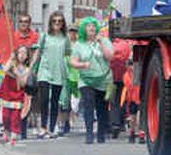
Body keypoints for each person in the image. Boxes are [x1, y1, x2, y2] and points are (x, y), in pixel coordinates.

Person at [69, 16, 114, 145]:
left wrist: (102, 43)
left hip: (104, 79)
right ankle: (89, 134)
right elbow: (73, 61)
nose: (92, 28)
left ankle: (101, 134)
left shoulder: (104, 41)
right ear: (84, 29)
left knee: (102, 107)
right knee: (88, 104)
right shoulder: (79, 44)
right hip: (86, 80)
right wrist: (82, 65)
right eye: (89, 26)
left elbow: (110, 56)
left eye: (94, 26)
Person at [34, 13, 68, 139]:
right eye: (54, 21)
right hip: (45, 70)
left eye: (60, 21)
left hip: (58, 71)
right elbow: (38, 51)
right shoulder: (44, 36)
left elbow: (69, 54)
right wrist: (32, 67)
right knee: (43, 100)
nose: (57, 23)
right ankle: (43, 127)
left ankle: (52, 128)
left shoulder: (65, 38)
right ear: (50, 23)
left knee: (55, 101)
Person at [0, 45, 31, 146]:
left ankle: (14, 135)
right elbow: (5, 70)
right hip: (7, 92)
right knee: (6, 115)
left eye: (24, 53)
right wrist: (11, 59)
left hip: (17, 94)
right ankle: (6, 133)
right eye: (20, 52)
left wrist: (18, 74)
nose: (22, 55)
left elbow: (23, 84)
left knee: (15, 117)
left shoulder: (26, 69)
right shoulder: (12, 63)